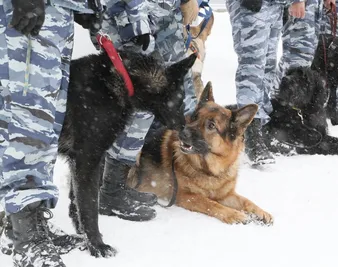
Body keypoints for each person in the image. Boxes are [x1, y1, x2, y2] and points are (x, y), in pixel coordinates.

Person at [0, 0, 101, 266]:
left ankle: (19, 225)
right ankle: (27, 235)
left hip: (56, 13)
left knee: (45, 125)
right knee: (26, 122)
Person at [93, 0, 199, 221]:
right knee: (135, 104)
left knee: (153, 103)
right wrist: (138, 22)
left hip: (162, 18)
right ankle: (110, 191)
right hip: (132, 21)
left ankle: (117, 183)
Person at [226, 0, 306, 166]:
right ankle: (250, 132)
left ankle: (262, 128)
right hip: (253, 6)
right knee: (252, 67)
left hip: (275, 6)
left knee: (267, 67)